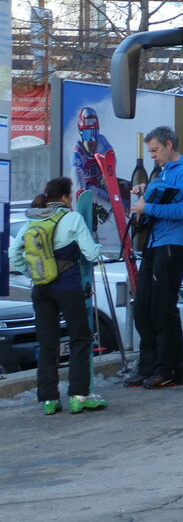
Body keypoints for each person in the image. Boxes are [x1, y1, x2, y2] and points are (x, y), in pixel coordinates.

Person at [7, 176, 107, 415]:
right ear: (65, 197)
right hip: (68, 288)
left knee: (47, 342)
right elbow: (91, 254)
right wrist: (101, 250)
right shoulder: (72, 218)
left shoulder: (33, 220)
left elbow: (14, 252)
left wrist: (32, 273)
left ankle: (49, 400)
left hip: (41, 288)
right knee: (80, 339)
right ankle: (78, 396)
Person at [126, 125, 183, 389]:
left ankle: (170, 369)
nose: (153, 155)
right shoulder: (163, 173)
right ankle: (149, 366)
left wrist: (147, 206)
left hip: (174, 243)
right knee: (143, 306)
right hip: (156, 242)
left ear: (168, 144)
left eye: (155, 150)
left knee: (162, 307)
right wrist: (147, 193)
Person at [71, 106, 114, 231]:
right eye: (87, 134)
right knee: (90, 190)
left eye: (94, 133)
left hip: (103, 189)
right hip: (89, 192)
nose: (91, 140)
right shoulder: (77, 151)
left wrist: (107, 175)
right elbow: (77, 177)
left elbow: (111, 157)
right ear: (81, 134)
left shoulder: (101, 141)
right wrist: (81, 195)